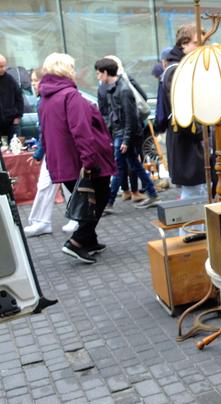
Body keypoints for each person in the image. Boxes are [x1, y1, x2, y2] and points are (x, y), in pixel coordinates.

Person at [38, 53, 116, 264]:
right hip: (82, 160)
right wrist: (89, 161)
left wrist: (48, 159)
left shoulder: (45, 98)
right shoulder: (69, 95)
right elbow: (81, 131)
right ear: (66, 69)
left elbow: (44, 132)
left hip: (64, 162)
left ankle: (90, 240)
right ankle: (77, 242)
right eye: (72, 67)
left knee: (88, 199)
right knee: (99, 197)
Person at [94, 58, 159, 212]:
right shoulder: (112, 87)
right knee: (132, 165)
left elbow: (131, 117)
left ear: (105, 72)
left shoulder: (123, 90)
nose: (97, 77)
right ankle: (152, 194)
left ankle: (108, 203)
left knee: (118, 167)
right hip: (121, 134)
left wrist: (126, 140)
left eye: (98, 73)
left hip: (123, 135)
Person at [23, 68, 78, 237]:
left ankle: (75, 218)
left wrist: (39, 152)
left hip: (59, 149)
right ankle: (42, 221)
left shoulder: (50, 99)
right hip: (54, 149)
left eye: (35, 80)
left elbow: (47, 131)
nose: (33, 84)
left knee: (67, 184)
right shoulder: (44, 100)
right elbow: (45, 132)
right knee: (48, 184)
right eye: (32, 80)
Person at [157, 25, 207, 202]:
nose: (202, 47)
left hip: (190, 141)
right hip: (187, 143)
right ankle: (193, 231)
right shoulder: (176, 70)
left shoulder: (182, 67)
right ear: (184, 44)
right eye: (196, 43)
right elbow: (183, 112)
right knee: (193, 197)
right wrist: (202, 134)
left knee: (198, 194)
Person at [0, 53, 23, 144]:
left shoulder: (10, 80)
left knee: (14, 148)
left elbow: (19, 98)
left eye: (4, 66)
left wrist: (18, 116)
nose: (3, 69)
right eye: (0, 66)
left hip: (11, 122)